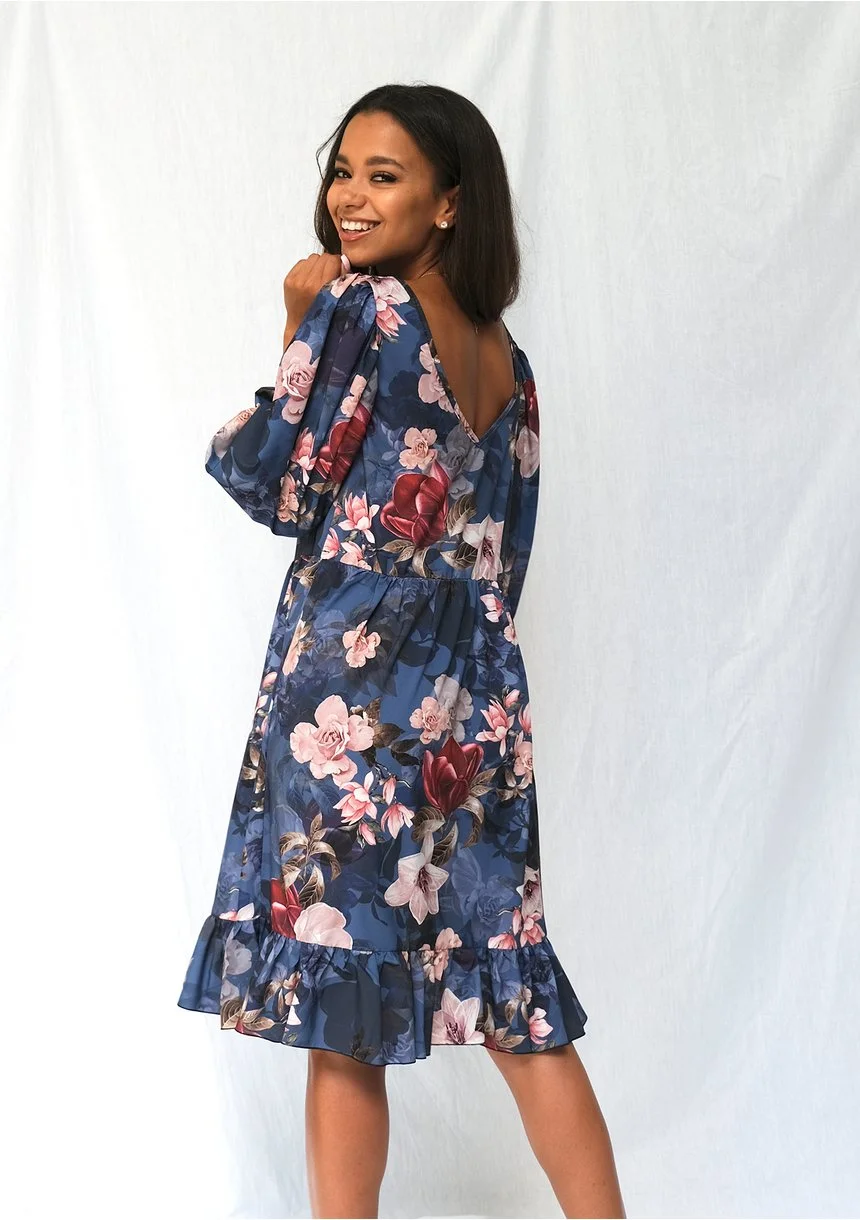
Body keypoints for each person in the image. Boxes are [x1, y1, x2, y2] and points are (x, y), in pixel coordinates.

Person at [177, 84, 626, 1220]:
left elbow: (277, 483)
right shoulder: (509, 359)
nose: (351, 196)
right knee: (513, 988)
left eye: (384, 176)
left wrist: (294, 324)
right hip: (473, 699)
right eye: (343, 170)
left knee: (342, 999)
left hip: (349, 695)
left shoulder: (358, 309)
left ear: (448, 203)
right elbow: (507, 548)